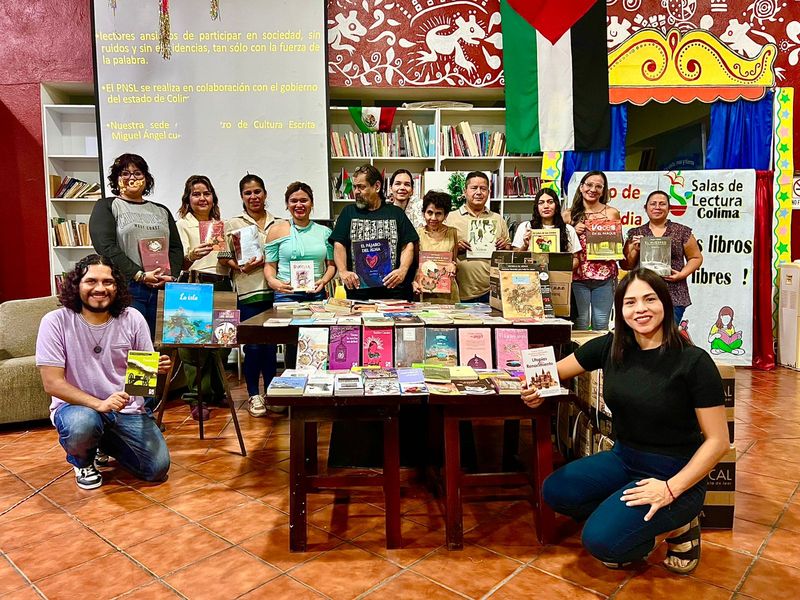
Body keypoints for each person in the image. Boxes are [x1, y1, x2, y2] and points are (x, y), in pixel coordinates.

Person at [521, 268, 728, 574]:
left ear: (666, 304)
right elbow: (549, 374)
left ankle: (680, 526)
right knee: (556, 491)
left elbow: (718, 441)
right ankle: (622, 515)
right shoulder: (611, 346)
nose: (640, 309)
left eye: (650, 299)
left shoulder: (693, 362)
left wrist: (670, 489)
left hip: (675, 471)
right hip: (624, 458)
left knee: (604, 543)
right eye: (630, 302)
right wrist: (536, 390)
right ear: (620, 310)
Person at [35, 254, 171, 490]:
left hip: (125, 409)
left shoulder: (133, 318)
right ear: (77, 284)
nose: (100, 288)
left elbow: (141, 385)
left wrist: (154, 372)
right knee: (82, 423)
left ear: (117, 286)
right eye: (91, 281)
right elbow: (52, 384)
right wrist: (99, 405)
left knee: (157, 469)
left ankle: (100, 442)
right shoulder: (55, 321)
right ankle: (83, 460)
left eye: (108, 282)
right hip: (78, 409)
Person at [89, 153, 183, 339]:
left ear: (146, 179)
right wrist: (139, 275)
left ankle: (158, 371)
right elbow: (105, 246)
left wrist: (170, 276)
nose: (132, 178)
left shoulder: (161, 210)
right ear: (117, 180)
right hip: (129, 288)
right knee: (133, 346)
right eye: (125, 173)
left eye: (137, 173)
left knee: (162, 345)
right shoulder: (107, 206)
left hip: (163, 288)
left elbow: (175, 248)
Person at [218, 174, 279, 418]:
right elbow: (223, 256)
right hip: (248, 291)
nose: (253, 197)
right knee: (253, 347)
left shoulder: (279, 222)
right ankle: (254, 395)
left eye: (257, 192)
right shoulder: (233, 223)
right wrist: (238, 266)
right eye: (248, 193)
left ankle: (272, 392)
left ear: (265, 193)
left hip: (275, 292)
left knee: (271, 347)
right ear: (242, 196)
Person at [175, 175, 232, 419]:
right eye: (196, 194)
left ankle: (218, 393)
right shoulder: (180, 224)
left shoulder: (221, 225)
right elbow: (179, 261)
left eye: (206, 193)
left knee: (223, 343)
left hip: (222, 286)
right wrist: (192, 255)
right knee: (193, 348)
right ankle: (197, 397)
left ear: (213, 197)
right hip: (194, 285)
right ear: (188, 198)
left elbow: (227, 258)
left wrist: (237, 260)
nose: (202, 198)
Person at [265, 181, 336, 369]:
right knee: (290, 342)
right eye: (293, 200)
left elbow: (331, 265)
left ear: (311, 203)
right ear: (287, 204)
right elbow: (269, 266)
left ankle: (315, 386)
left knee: (316, 340)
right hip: (286, 293)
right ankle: (292, 384)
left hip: (315, 293)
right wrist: (274, 283)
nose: (299, 205)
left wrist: (324, 280)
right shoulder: (276, 230)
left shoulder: (324, 232)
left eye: (304, 200)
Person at [329, 164, 419, 301]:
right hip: (358, 293)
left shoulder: (396, 213)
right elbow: (339, 244)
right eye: (355, 187)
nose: (356, 191)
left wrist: (402, 270)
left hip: (394, 293)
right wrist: (342, 271)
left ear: (377, 186)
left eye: (361, 187)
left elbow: (408, 245)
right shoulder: (348, 212)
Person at [622, 190, 703, 324]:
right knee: (643, 337)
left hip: (673, 294)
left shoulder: (682, 231)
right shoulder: (636, 233)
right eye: (653, 204)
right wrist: (636, 250)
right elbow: (626, 265)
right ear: (645, 208)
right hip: (642, 293)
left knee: (668, 338)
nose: (657, 207)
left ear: (669, 208)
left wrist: (681, 275)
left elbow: (696, 258)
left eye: (662, 204)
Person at [564, 170, 621, 331]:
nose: (593, 189)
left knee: (601, 324)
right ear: (581, 187)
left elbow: (618, 244)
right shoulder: (568, 215)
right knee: (580, 323)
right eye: (589, 185)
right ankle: (581, 356)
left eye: (598, 186)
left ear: (603, 190)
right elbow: (560, 247)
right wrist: (573, 231)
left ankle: (600, 356)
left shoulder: (611, 213)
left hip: (605, 277)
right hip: (577, 277)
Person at [445, 171, 511, 303]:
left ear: (489, 191)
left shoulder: (498, 219)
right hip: (460, 291)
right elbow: (439, 251)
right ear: (465, 191)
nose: (479, 192)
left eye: (483, 188)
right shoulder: (450, 218)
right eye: (474, 188)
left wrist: (504, 247)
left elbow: (509, 252)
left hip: (491, 290)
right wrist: (456, 248)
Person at [512, 188, 581, 269]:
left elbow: (576, 259)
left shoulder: (568, 229)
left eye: (550, 202)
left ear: (556, 205)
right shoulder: (525, 227)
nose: (546, 206)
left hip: (558, 277)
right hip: (531, 276)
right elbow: (515, 259)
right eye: (541, 203)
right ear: (536, 207)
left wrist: (561, 269)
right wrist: (525, 245)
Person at [412, 190, 459, 304]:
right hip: (424, 288)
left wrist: (453, 266)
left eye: (438, 213)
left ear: (446, 215)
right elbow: (415, 264)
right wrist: (414, 282)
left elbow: (454, 261)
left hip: (448, 291)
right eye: (430, 212)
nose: (433, 218)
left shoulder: (452, 232)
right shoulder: (417, 234)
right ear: (424, 213)